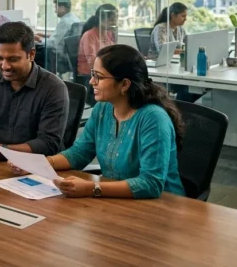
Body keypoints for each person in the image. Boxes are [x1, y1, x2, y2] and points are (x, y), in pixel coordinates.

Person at [18, 45, 186, 199]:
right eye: (93, 74)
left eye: (99, 77)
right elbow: (80, 153)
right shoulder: (103, 109)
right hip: (117, 202)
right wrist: (42, 164)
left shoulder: (153, 119)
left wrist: (92, 188)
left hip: (164, 206)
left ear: (124, 84)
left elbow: (151, 184)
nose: (92, 82)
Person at [0, 22, 68, 159]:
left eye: (13, 59)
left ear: (31, 55)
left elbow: (48, 144)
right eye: (0, 58)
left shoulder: (53, 88)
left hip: (38, 167)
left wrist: (0, 150)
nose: (5, 66)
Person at [35, 0, 81, 72]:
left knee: (31, 55)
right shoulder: (74, 18)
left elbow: (52, 43)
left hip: (58, 57)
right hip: (68, 55)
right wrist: (44, 35)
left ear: (63, 8)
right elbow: (63, 37)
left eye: (56, 7)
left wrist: (36, 37)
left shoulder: (65, 22)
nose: (55, 10)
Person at [77, 4, 118, 77]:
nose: (114, 23)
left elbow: (113, 54)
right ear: (101, 20)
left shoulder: (109, 34)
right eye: (111, 20)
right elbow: (92, 63)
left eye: (115, 19)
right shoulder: (89, 35)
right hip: (89, 74)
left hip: (104, 69)